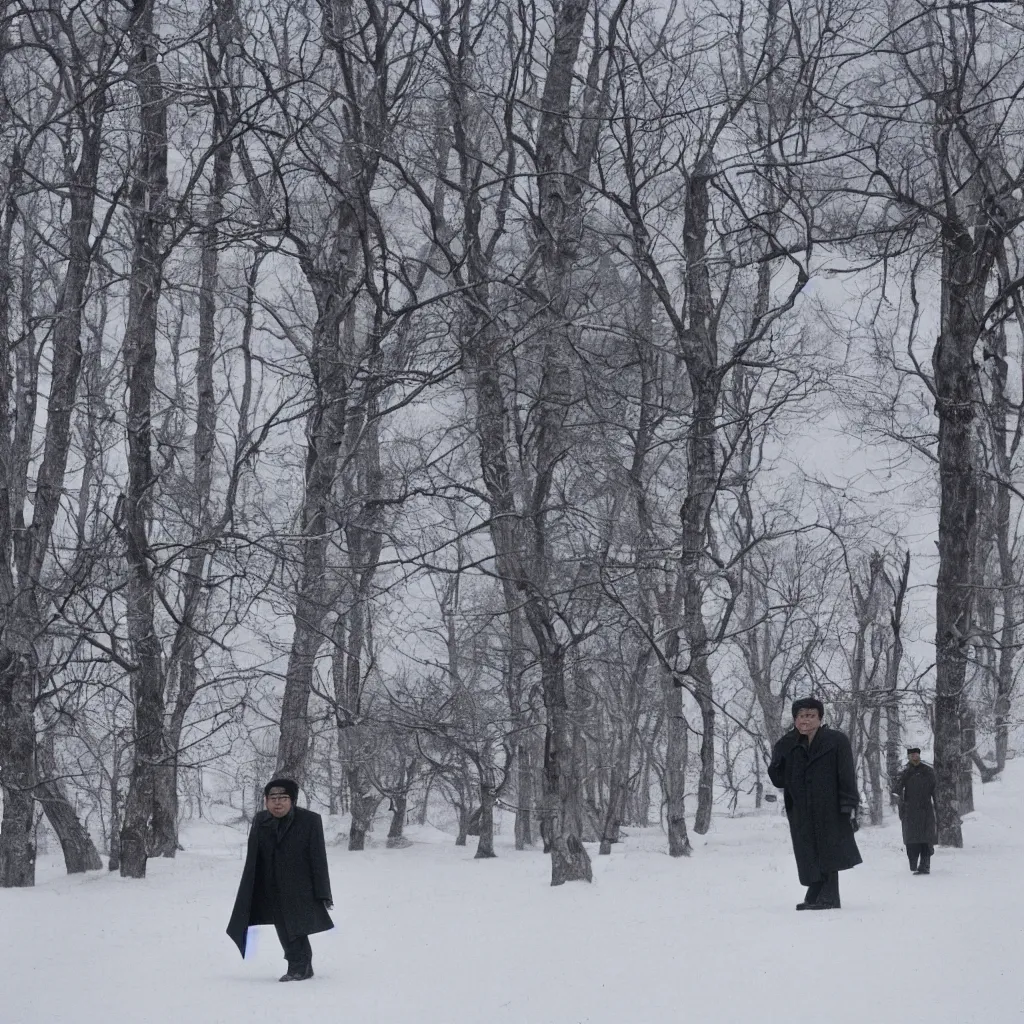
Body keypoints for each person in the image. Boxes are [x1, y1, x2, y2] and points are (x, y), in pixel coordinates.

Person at [227, 778, 334, 981]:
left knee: (296, 926)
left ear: (292, 800)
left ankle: (299, 967)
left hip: (301, 886)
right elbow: (253, 858)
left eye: (283, 798)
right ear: (266, 801)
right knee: (283, 927)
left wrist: (324, 893)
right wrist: (251, 890)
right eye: (273, 798)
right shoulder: (260, 821)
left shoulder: (310, 820)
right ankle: (301, 966)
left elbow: (319, 859)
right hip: (271, 885)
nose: (278, 803)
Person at [768, 697, 862, 911]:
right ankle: (816, 891)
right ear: (795, 719)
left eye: (811, 716)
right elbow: (778, 779)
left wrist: (848, 804)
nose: (805, 721)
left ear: (820, 718)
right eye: (801, 716)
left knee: (829, 848)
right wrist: (778, 758)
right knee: (807, 851)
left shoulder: (836, 741)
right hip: (800, 808)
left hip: (830, 806)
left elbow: (846, 775)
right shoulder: (787, 744)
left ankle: (830, 897)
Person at [897, 747, 937, 875]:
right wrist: (902, 808)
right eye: (912, 755)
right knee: (912, 840)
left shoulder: (928, 771)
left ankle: (925, 866)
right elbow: (896, 790)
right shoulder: (904, 772)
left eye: (916, 754)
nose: (914, 757)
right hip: (910, 811)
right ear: (908, 757)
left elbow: (935, 791)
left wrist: (937, 806)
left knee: (926, 839)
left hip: (925, 810)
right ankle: (913, 864)